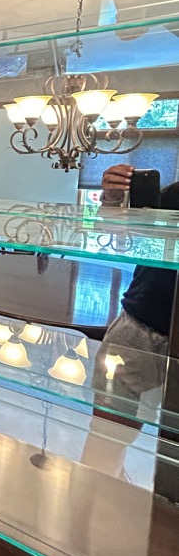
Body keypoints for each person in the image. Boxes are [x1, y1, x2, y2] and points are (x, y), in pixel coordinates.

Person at [80, 163, 179, 478]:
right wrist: (112, 200)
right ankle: (98, 500)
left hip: (141, 325)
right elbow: (116, 235)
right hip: (137, 329)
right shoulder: (173, 195)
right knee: (105, 441)